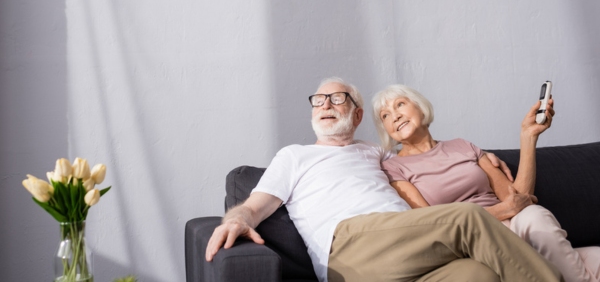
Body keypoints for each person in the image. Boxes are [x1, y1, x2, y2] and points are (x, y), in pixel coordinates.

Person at [206, 77, 563, 282]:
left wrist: (480, 157)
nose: (325, 104)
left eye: (337, 98)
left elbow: (425, 160)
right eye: (318, 100)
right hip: (350, 246)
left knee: (477, 276)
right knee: (465, 218)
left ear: (358, 114)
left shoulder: (375, 153)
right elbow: (254, 207)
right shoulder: (295, 156)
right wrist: (233, 221)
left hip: (407, 245)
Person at [373, 84, 600, 282]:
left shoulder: (462, 146)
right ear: (386, 130)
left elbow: (518, 198)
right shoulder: (394, 169)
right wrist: (504, 210)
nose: (394, 116)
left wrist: (528, 136)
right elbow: (433, 226)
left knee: (538, 217)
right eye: (385, 115)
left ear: (421, 107)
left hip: (520, 227)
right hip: (479, 240)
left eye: (400, 104)